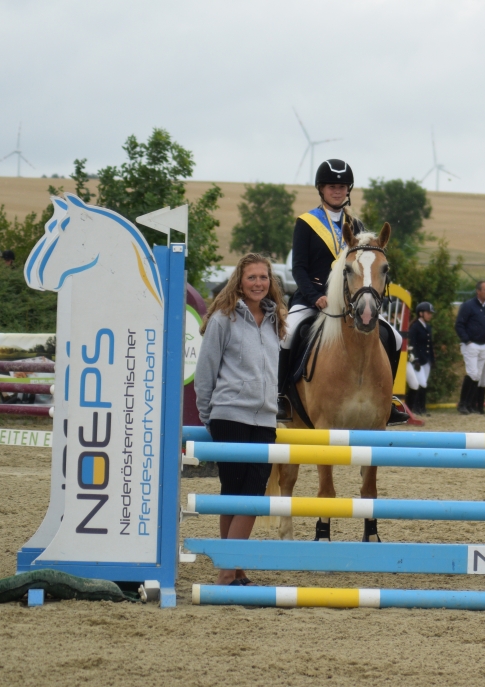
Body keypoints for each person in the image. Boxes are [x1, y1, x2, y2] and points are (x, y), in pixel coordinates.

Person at [279, 158, 408, 425]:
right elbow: (299, 268)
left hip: (351, 303)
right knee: (288, 335)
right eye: (330, 186)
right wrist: (315, 296)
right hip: (313, 300)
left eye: (341, 186)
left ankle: (389, 400)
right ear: (321, 189)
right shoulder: (306, 223)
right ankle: (281, 397)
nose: (336, 191)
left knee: (393, 337)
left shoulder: (358, 226)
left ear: (348, 190)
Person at [195, 253, 287, 586]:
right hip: (229, 416)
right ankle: (228, 572)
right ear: (239, 280)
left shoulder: (278, 320)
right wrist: (208, 416)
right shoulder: (223, 318)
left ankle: (232, 566)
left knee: (250, 496)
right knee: (234, 493)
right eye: (252, 278)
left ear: (270, 282)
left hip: (265, 420)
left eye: (264, 277)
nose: (259, 283)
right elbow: (205, 370)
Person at [455, 281, 485, 414]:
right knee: (472, 373)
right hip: (471, 345)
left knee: (477, 376)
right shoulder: (468, 306)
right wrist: (467, 341)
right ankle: (463, 404)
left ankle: (470, 404)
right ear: (478, 291)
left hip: (484, 345)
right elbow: (459, 324)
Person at [406, 301, 435, 415]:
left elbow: (430, 345)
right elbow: (412, 344)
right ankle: (417, 408)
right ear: (421, 313)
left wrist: (432, 359)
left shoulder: (427, 327)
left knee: (424, 384)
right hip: (418, 360)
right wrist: (416, 359)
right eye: (428, 313)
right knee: (421, 383)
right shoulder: (415, 327)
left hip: (426, 360)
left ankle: (420, 408)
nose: (430, 315)